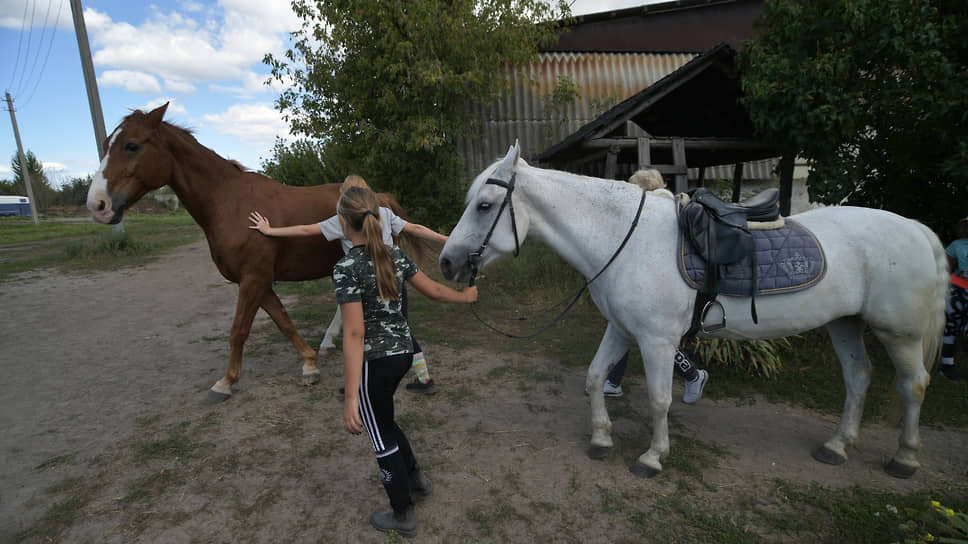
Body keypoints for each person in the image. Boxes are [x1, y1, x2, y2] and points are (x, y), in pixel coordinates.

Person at [331, 185, 476, 536]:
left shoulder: (346, 267)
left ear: (341, 222)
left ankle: (402, 514)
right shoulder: (395, 256)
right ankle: (416, 480)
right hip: (402, 355)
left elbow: (353, 334)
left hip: (376, 362)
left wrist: (351, 396)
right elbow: (435, 291)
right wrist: (465, 295)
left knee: (380, 436)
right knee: (387, 422)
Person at [249, 174, 448, 394]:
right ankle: (425, 379)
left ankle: (360, 386)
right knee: (402, 330)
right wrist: (448, 239)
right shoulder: (384, 213)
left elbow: (305, 230)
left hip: (364, 286)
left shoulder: (342, 220)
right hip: (392, 280)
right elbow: (416, 229)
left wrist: (269, 231)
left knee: (360, 336)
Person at [595, 169, 708, 403]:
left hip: (657, 289)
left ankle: (692, 375)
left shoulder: (656, 211)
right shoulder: (664, 207)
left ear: (643, 191)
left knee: (645, 334)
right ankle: (613, 381)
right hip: (648, 285)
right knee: (628, 329)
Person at [941, 216, 968, 381]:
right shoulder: (957, 245)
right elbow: (946, 269)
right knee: (950, 329)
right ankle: (947, 367)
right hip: (958, 291)